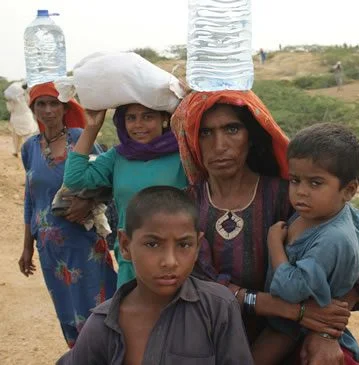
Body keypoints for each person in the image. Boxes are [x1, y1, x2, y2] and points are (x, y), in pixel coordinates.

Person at [171, 90, 359, 364]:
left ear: (252, 136)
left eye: (232, 129)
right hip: (209, 337)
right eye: (205, 133)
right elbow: (197, 283)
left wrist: (327, 333)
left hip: (293, 340)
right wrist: (286, 308)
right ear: (191, 139)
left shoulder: (290, 195)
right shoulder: (184, 206)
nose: (219, 145)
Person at [57, 186, 253, 364]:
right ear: (125, 245)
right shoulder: (103, 325)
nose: (170, 261)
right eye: (152, 244)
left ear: (197, 246)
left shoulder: (217, 308)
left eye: (184, 245)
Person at [252, 123, 359, 364]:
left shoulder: (332, 238)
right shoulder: (318, 212)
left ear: (349, 190)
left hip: (293, 326)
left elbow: (291, 290)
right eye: (295, 180)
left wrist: (274, 243)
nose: (301, 192)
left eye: (315, 183)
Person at [18, 82, 117, 348]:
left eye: (54, 104)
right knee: (67, 313)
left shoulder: (80, 139)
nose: (48, 110)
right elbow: (31, 199)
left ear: (64, 108)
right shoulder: (29, 148)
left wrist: (87, 200)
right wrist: (27, 246)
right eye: (41, 104)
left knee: (99, 309)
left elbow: (108, 180)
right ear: (33, 109)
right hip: (50, 250)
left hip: (83, 243)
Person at [63, 103, 188, 288]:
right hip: (131, 260)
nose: (138, 125)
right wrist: (91, 128)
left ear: (164, 119)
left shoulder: (183, 155)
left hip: (174, 260)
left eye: (147, 117)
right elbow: (75, 178)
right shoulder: (118, 156)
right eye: (131, 118)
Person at [4, 82, 38, 157]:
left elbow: (10, 109)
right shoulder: (27, 96)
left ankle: (16, 151)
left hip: (16, 119)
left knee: (16, 137)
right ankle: (31, 152)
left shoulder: (12, 101)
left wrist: (9, 102)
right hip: (26, 118)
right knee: (28, 136)